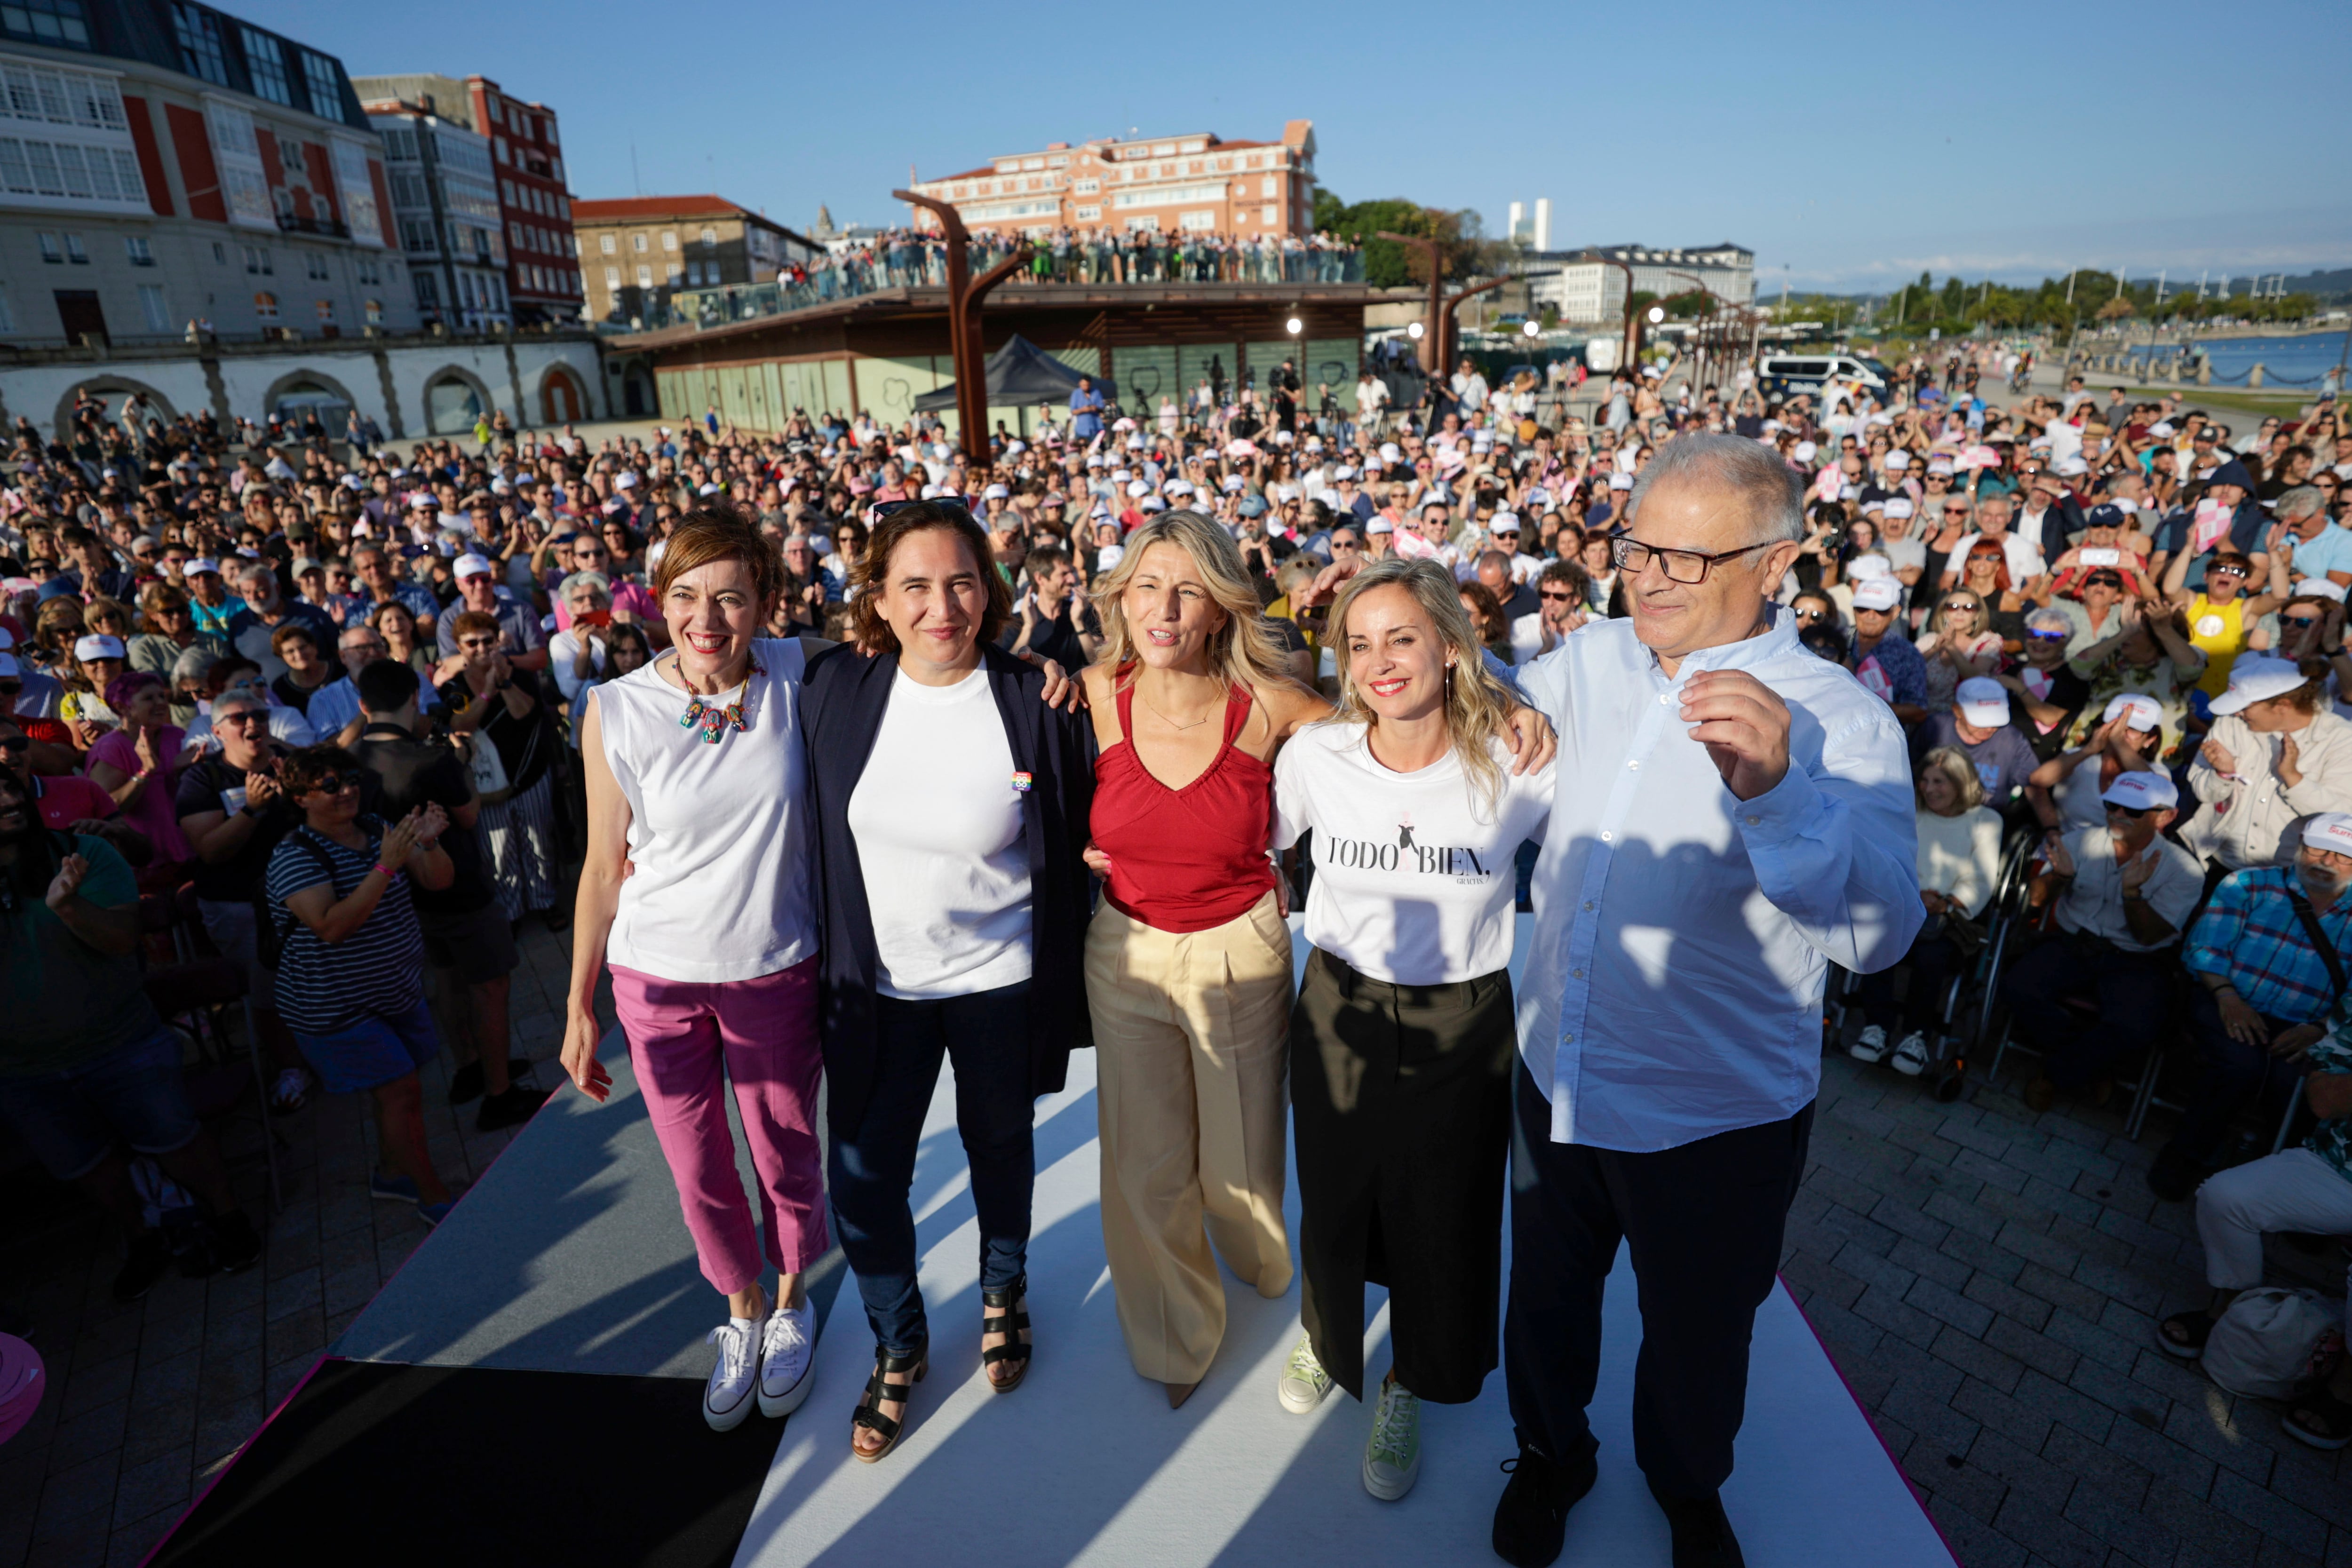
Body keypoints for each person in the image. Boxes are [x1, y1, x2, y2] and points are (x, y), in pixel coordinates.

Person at [1496, 434, 1920, 1568]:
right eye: (1638, 547)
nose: (1650, 577)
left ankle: (1686, 1489)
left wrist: (1779, 797)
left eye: (1690, 558)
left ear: (1776, 564)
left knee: (1698, 1335)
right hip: (1561, 1074)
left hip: (1717, 1111)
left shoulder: (1840, 720)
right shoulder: (1583, 660)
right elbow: (1492, 723)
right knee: (1543, 1304)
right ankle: (1548, 1457)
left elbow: (1883, 937)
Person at [801, 500, 1094, 1461]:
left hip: (1001, 979)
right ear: (876, 600)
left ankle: (1003, 1287)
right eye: (915, 585)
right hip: (878, 988)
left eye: (961, 581)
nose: (941, 606)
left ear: (990, 588)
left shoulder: (1036, 697)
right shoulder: (831, 687)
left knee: (999, 1145)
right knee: (865, 1177)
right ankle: (899, 1339)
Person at [1271, 558, 1554, 1502]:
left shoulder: (1519, 756)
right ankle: (1327, 1334)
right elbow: (1253, 842)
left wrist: (1522, 701)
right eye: (1359, 643)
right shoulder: (1318, 754)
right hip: (1340, 999)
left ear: (1448, 642)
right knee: (1337, 1187)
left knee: (1444, 1211)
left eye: (1401, 637)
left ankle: (1407, 1382)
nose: (1380, 662)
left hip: (1461, 1015)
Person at [561, 507, 828, 1434]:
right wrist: (577, 1005)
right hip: (654, 976)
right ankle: (742, 1308)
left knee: (784, 1149)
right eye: (684, 594)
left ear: (764, 605)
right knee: (696, 1166)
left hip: (774, 967)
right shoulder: (616, 707)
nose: (705, 617)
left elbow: (919, 658)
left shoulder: (800, 672)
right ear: (658, 601)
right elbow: (602, 865)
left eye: (729, 595)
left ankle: (794, 1301)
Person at [1076, 509, 1331, 1409]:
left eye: (1188, 589)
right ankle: (1176, 1334)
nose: (1165, 607)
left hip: (1243, 947)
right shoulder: (1094, 692)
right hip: (1126, 950)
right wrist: (1077, 841)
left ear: (1222, 607)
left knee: (1243, 1157)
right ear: (1122, 597)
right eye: (1148, 584)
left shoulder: (1274, 704)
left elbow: (1389, 744)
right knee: (1146, 1159)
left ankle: (1259, 1258)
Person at [0, 768, 262, 1300]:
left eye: (11, 787)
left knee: (177, 1140)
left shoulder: (85, 854)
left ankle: (229, 1217)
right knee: (88, 1166)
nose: (9, 799)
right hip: (24, 1072)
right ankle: (141, 1236)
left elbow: (122, 940)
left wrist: (70, 906)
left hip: (120, 1043)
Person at [264, 746, 457, 1220]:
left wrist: (429, 844)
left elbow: (438, 883)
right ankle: (435, 1198)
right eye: (329, 786)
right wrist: (386, 866)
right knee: (401, 1092)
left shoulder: (375, 829)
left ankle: (392, 1176)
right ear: (301, 798)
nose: (347, 790)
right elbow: (332, 926)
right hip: (335, 1007)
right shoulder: (294, 857)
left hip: (393, 990)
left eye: (348, 779)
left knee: (395, 1092)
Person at [351, 659, 544, 1130]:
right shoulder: (430, 759)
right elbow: (470, 814)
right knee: (490, 986)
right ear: (415, 699)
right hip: (459, 891)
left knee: (449, 978)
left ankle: (470, 1068)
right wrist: (457, 761)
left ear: (363, 706)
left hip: (402, 898)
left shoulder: (352, 760)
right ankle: (498, 1094)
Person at [2157, 1035, 2352, 1449]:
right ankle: (2230, 1309)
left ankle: (2345, 1388)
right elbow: (2323, 1100)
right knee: (2226, 1197)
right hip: (2339, 1166)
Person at [2148, 813, 2352, 1203]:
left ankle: (2286, 1187)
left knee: (2297, 1082)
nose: (2326, 861)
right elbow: (2205, 949)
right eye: (2317, 849)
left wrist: (2323, 1028)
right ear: (2300, 847)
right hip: (2225, 998)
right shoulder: (2248, 883)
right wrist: (2228, 998)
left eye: (2343, 856)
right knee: (2239, 1065)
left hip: (2314, 1025)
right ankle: (2185, 1155)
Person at [2002, 771, 2205, 1114]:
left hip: (2137, 958)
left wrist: (2133, 895)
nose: (2118, 815)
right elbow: (2035, 901)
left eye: (2134, 811)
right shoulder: (2081, 841)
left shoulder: (2184, 869)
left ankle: (2054, 1073)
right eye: (2113, 805)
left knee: (2135, 1026)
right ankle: (2091, 1065)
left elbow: (2150, 936)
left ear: (2166, 817)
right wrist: (2060, 877)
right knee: (2018, 987)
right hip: (2072, 942)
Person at [173, 686, 313, 1113]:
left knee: (318, 977)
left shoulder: (290, 763)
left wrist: (298, 789)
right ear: (217, 731)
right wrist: (251, 811)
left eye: (259, 715)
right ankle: (290, 1068)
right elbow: (211, 850)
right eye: (239, 718)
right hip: (241, 906)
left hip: (305, 895)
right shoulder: (202, 779)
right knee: (266, 989)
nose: (253, 723)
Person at [1850, 747, 2002, 1076]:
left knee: (1932, 955)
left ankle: (1917, 1036)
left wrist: (1947, 902)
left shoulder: (1986, 821)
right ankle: (1877, 1026)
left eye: (1940, 782)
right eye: (1925, 780)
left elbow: (1982, 880)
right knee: (1877, 937)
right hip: (1902, 903)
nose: (1930, 789)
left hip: (1948, 915)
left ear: (1962, 784)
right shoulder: (1912, 812)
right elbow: (1888, 856)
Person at [438, 610, 562, 926]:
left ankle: (545, 901)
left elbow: (524, 712)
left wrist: (504, 681)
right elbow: (462, 723)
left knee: (539, 842)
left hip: (529, 774)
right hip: (486, 784)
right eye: (472, 643)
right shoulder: (454, 687)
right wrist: (486, 693)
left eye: (488, 641)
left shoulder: (519, 675)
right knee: (499, 849)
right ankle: (511, 912)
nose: (481, 648)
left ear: (498, 641)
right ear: (459, 647)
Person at [2187, 656, 2352, 884]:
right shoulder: (2230, 723)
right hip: (2213, 861)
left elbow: (2340, 817)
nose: (2238, 713)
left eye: (2245, 706)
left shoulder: (2343, 740)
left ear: (2282, 706)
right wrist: (2222, 774)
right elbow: (2203, 791)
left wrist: (2293, 779)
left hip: (2286, 878)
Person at [84, 671, 194, 879]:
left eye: (162, 696)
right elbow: (105, 808)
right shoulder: (111, 748)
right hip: (145, 866)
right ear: (122, 708)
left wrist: (182, 772)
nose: (161, 703)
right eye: (149, 698)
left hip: (189, 856)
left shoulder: (176, 735)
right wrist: (145, 772)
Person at [1908, 676, 2043, 816]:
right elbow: (1908, 772)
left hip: (1984, 822)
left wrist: (2051, 829)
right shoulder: (1934, 728)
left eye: (1996, 721)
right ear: (1957, 711)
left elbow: (2034, 787)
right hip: (1929, 816)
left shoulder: (2012, 739)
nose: (1989, 728)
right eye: (1981, 721)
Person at [2031, 694, 2167, 830]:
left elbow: (2158, 794)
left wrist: (2119, 743)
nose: (2120, 732)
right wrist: (2089, 750)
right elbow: (2038, 780)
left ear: (2150, 740)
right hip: (2066, 843)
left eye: (2133, 729)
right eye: (2116, 724)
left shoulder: (2156, 772)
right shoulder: (2080, 758)